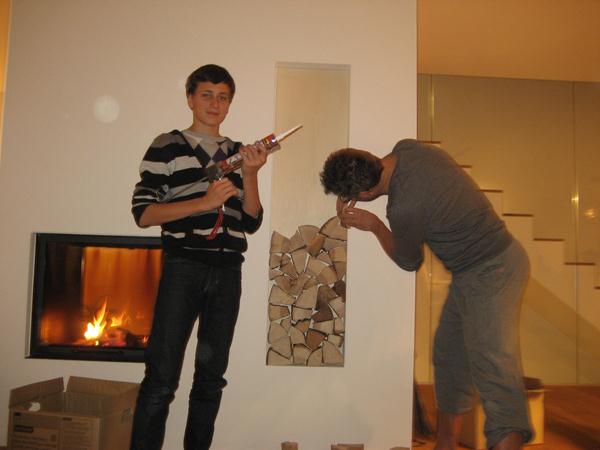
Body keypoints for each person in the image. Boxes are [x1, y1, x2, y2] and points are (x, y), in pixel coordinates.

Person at [320, 139, 532, 450]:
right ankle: (445, 444)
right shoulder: (408, 149)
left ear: (363, 195)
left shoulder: (403, 207)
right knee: (449, 355)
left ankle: (504, 438)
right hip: (472, 273)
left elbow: (409, 261)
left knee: (494, 366)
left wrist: (375, 225)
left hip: (494, 270)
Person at [130, 64, 267, 450]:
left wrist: (251, 174)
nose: (214, 103)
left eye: (223, 97)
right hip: (184, 266)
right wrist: (202, 203)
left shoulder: (238, 153)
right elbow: (143, 214)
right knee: (161, 378)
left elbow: (251, 221)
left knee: (210, 380)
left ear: (230, 104)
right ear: (190, 99)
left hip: (228, 271)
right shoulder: (167, 145)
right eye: (206, 94)